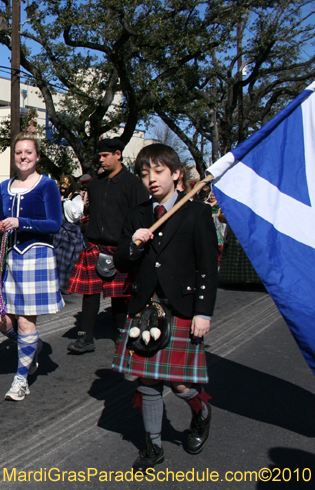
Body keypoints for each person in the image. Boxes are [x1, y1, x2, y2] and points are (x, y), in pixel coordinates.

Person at [112, 143, 217, 469]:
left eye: (158, 172)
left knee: (180, 382)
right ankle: (153, 447)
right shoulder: (138, 215)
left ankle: (200, 410)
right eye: (145, 174)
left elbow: (207, 268)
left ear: (176, 174)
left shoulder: (196, 213)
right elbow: (122, 262)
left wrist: (203, 311)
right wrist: (133, 244)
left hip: (182, 308)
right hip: (145, 308)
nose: (151, 179)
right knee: (147, 381)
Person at [0, 136, 64, 401]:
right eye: (19, 152)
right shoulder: (3, 186)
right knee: (1, 319)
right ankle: (33, 346)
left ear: (37, 156)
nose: (23, 156)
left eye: (28, 152)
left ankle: (21, 379)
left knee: (25, 320)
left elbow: (55, 223)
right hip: (8, 258)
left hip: (36, 257)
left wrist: (22, 222)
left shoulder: (48, 185)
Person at [66, 138, 149, 353]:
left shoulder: (134, 184)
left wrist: (134, 246)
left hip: (120, 247)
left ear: (118, 155)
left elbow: (140, 216)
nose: (101, 160)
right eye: (99, 156)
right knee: (90, 294)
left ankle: (123, 335)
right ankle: (86, 338)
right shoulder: (96, 184)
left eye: (105, 156)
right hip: (94, 246)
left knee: (120, 296)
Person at [52, 174, 85, 292]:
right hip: (59, 233)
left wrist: (67, 201)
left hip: (71, 234)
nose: (63, 190)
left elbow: (75, 215)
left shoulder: (76, 198)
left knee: (71, 261)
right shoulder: (58, 197)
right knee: (59, 261)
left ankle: (70, 286)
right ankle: (59, 286)